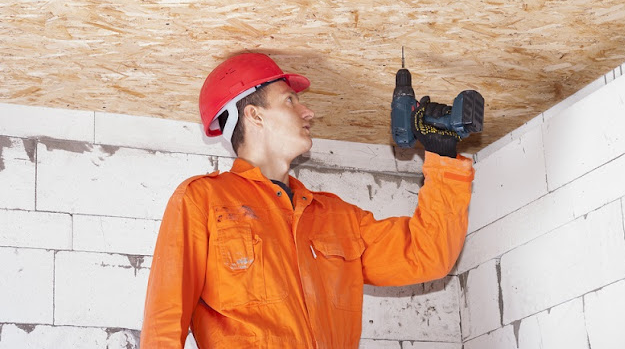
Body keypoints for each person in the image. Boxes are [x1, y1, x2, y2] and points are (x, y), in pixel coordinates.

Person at [141, 52, 475, 349]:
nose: (308, 111)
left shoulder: (337, 217)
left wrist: (442, 155)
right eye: (290, 100)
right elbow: (164, 323)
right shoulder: (204, 200)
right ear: (255, 116)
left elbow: (428, 256)